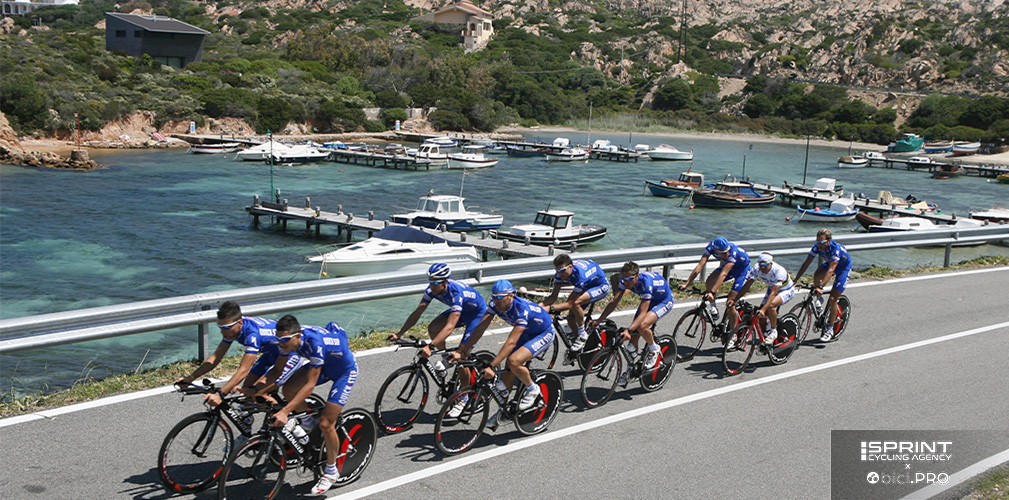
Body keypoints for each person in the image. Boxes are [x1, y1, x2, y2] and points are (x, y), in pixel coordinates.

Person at [255, 314, 358, 496]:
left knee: (327, 423)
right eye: (278, 339)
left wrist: (285, 411)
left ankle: (331, 471)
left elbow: (310, 386)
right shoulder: (286, 342)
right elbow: (277, 371)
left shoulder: (314, 343)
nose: (281, 343)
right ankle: (309, 423)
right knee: (288, 390)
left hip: (344, 372)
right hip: (325, 365)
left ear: (298, 336)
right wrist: (255, 390)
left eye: (285, 340)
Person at [467, 279, 556, 430]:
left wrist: (492, 365)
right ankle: (503, 410)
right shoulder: (495, 305)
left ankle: (533, 389)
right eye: (494, 297)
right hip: (526, 332)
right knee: (508, 370)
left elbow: (511, 342)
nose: (496, 300)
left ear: (510, 296)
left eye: (500, 297)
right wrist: (464, 350)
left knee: (514, 361)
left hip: (543, 333)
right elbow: (480, 328)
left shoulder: (522, 309)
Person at [387, 263, 488, 381]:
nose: (432, 286)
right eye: (430, 281)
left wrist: (431, 346)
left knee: (460, 358)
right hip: (462, 311)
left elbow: (450, 326)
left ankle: (465, 392)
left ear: (445, 282)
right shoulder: (431, 290)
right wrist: (399, 334)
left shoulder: (456, 293)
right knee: (433, 328)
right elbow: (418, 312)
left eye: (435, 283)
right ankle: (446, 360)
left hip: (477, 314)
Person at [175, 301, 286, 407]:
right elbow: (215, 358)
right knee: (246, 392)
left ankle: (284, 415)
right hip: (272, 353)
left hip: (289, 354)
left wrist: (221, 394)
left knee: (257, 393)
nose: (223, 332)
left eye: (226, 327)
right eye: (220, 327)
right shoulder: (233, 330)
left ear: (240, 322)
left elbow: (243, 370)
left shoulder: (252, 334)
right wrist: (191, 378)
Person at [591, 262, 672, 386]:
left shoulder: (646, 283)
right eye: (624, 279)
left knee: (641, 326)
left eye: (629, 279)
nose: (626, 282)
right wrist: (599, 320)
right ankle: (630, 371)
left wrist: (628, 329)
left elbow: (643, 313)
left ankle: (654, 348)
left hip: (663, 301)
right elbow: (614, 302)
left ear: (637, 276)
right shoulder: (624, 282)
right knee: (633, 337)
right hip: (649, 300)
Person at [540, 254, 609, 352]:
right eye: (557, 271)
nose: (560, 274)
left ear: (570, 267)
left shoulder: (580, 275)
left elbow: (570, 303)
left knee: (576, 303)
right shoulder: (560, 274)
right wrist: (539, 306)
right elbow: (553, 296)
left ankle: (582, 334)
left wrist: (550, 308)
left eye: (562, 271)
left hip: (599, 285)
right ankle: (578, 350)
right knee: (571, 319)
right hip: (586, 285)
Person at [793, 228, 852, 342]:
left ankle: (830, 329)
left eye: (822, 242)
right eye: (817, 241)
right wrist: (796, 279)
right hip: (831, 264)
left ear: (828, 241)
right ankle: (819, 299)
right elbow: (806, 263)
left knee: (833, 299)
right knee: (817, 275)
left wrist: (820, 287)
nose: (819, 245)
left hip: (843, 268)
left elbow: (830, 271)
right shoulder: (817, 246)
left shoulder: (835, 249)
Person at [679, 237, 751, 328]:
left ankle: (733, 333)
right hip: (728, 267)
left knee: (730, 303)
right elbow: (700, 266)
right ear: (716, 250)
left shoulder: (733, 253)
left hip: (742, 271)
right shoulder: (710, 247)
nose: (726, 254)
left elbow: (724, 274)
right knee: (710, 281)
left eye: (727, 251)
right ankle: (714, 309)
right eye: (723, 253)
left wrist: (712, 292)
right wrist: (686, 284)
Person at [737, 253, 795, 345]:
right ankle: (765, 336)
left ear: (771, 264)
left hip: (786, 290)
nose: (762, 267)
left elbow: (774, 293)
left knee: (770, 306)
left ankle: (773, 331)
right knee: (760, 317)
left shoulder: (779, 271)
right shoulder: (757, 268)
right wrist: (736, 298)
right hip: (771, 288)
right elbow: (748, 284)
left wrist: (763, 309)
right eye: (760, 264)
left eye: (765, 264)